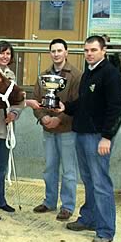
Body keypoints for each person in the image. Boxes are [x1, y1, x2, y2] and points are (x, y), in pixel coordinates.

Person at [58, 35, 121, 242]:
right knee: (88, 180)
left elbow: (116, 108)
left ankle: (105, 230)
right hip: (82, 133)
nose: (89, 53)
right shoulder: (89, 72)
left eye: (93, 50)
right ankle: (89, 218)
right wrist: (66, 108)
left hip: (98, 137)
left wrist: (107, 136)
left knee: (101, 183)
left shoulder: (110, 74)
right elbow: (85, 102)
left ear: (103, 50)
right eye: (86, 50)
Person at [0, 41, 40, 220]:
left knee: (1, 166)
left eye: (8, 54)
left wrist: (14, 113)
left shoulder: (11, 75)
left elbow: (18, 99)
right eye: (2, 53)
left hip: (7, 127)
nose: (5, 56)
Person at [32, 38, 82, 221]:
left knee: (68, 170)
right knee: (49, 167)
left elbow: (77, 103)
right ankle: (49, 201)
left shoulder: (76, 75)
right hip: (48, 130)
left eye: (60, 50)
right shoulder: (43, 75)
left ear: (66, 52)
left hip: (67, 130)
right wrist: (43, 117)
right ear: (50, 53)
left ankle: (67, 206)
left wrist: (58, 119)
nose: (56, 54)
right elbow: (37, 100)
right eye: (53, 51)